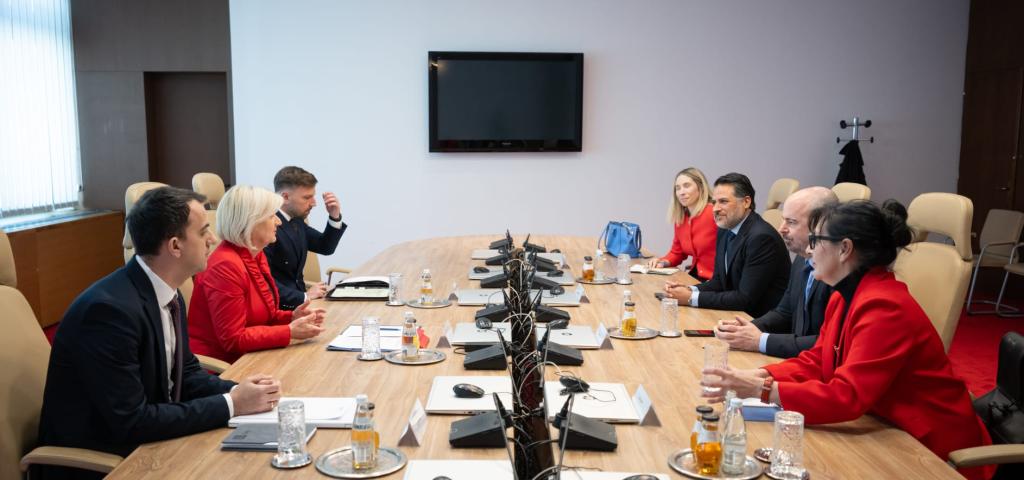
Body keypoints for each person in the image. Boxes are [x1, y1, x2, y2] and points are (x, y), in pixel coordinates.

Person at [701, 200, 993, 480]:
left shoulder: (885, 307)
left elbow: (847, 396)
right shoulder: (843, 296)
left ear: (844, 249)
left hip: (930, 451)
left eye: (815, 240)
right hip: (884, 426)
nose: (809, 250)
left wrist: (761, 389)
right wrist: (759, 375)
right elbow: (817, 360)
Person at [37, 187, 281, 479]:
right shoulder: (108, 312)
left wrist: (237, 391)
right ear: (175, 246)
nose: (213, 239)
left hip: (151, 438)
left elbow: (185, 372)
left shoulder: (169, 292)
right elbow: (132, 421)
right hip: (106, 460)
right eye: (204, 231)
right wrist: (232, 404)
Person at [189, 185, 326, 364]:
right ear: (251, 222)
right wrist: (289, 331)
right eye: (271, 216)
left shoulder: (256, 254)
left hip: (253, 355)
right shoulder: (224, 266)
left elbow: (263, 316)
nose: (278, 222)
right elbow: (233, 339)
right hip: (225, 366)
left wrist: (292, 317)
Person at [715, 187, 838, 358]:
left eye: (792, 222)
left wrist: (761, 341)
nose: (781, 229)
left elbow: (830, 343)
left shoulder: (838, 272)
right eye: (783, 220)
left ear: (821, 224)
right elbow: (784, 312)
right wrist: (747, 328)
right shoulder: (801, 259)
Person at [664, 172, 789, 317]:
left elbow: (744, 299)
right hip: (735, 314)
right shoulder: (725, 228)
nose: (715, 208)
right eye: (714, 202)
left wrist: (691, 298)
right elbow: (719, 281)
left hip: (756, 319)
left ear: (746, 202)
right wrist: (690, 290)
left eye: (723, 201)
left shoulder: (761, 238)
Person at [264, 166, 347, 310]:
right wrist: (304, 296)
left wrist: (334, 216)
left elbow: (325, 247)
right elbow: (266, 282)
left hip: (302, 304)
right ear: (285, 197)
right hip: (281, 308)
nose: (314, 203)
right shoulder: (267, 226)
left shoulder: (296, 221)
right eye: (307, 197)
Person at [646, 167, 717, 281]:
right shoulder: (681, 218)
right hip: (696, 277)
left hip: (717, 281)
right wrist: (662, 262)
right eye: (677, 188)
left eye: (687, 186)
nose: (681, 192)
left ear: (701, 187)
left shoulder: (714, 213)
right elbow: (677, 253)